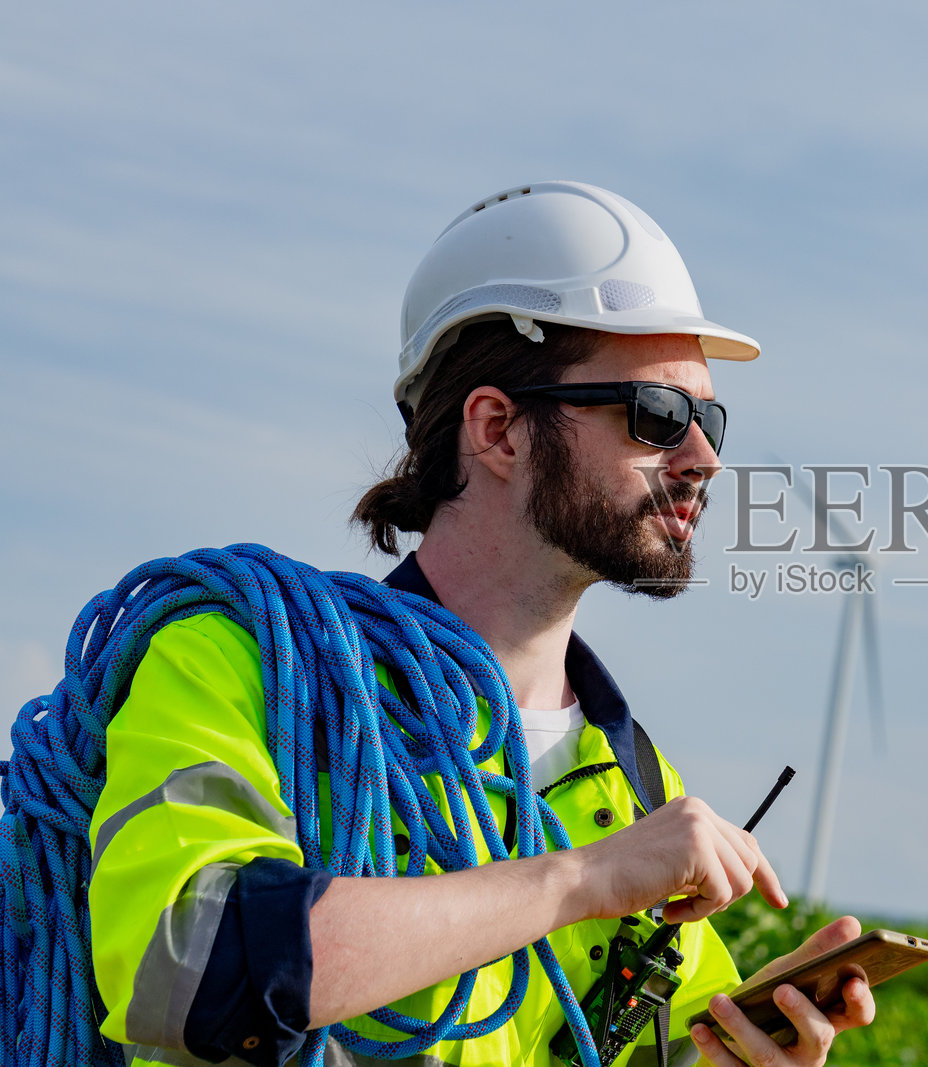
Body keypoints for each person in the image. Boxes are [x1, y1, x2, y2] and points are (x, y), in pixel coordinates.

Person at [86, 181, 876, 1067]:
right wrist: (583, 878)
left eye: (709, 420)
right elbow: (183, 968)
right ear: (499, 429)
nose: (703, 459)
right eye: (658, 415)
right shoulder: (249, 667)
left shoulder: (637, 785)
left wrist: (745, 1051)